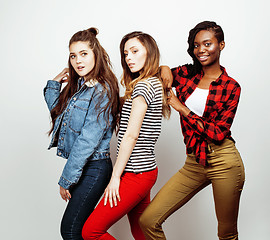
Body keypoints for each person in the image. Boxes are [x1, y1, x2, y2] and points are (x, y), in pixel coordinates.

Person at [139, 21, 245, 240]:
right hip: (194, 161)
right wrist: (165, 68)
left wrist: (181, 108)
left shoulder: (231, 86)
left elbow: (218, 133)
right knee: (148, 220)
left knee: (226, 234)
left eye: (208, 44)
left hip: (224, 161)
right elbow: (158, 74)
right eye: (196, 45)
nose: (201, 50)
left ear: (221, 45)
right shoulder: (188, 74)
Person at [81, 31, 170, 240]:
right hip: (146, 170)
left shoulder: (143, 86)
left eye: (134, 51)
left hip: (135, 172)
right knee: (141, 232)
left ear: (149, 52)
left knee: (90, 232)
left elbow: (131, 135)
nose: (128, 57)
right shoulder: (153, 83)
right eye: (125, 53)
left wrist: (115, 178)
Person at [43, 27, 119, 240]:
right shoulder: (79, 86)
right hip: (84, 166)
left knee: (71, 230)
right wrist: (54, 83)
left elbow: (87, 140)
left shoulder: (102, 90)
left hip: (95, 168)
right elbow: (59, 115)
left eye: (84, 54)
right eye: (73, 55)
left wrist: (66, 179)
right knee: (82, 231)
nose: (78, 61)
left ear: (96, 53)